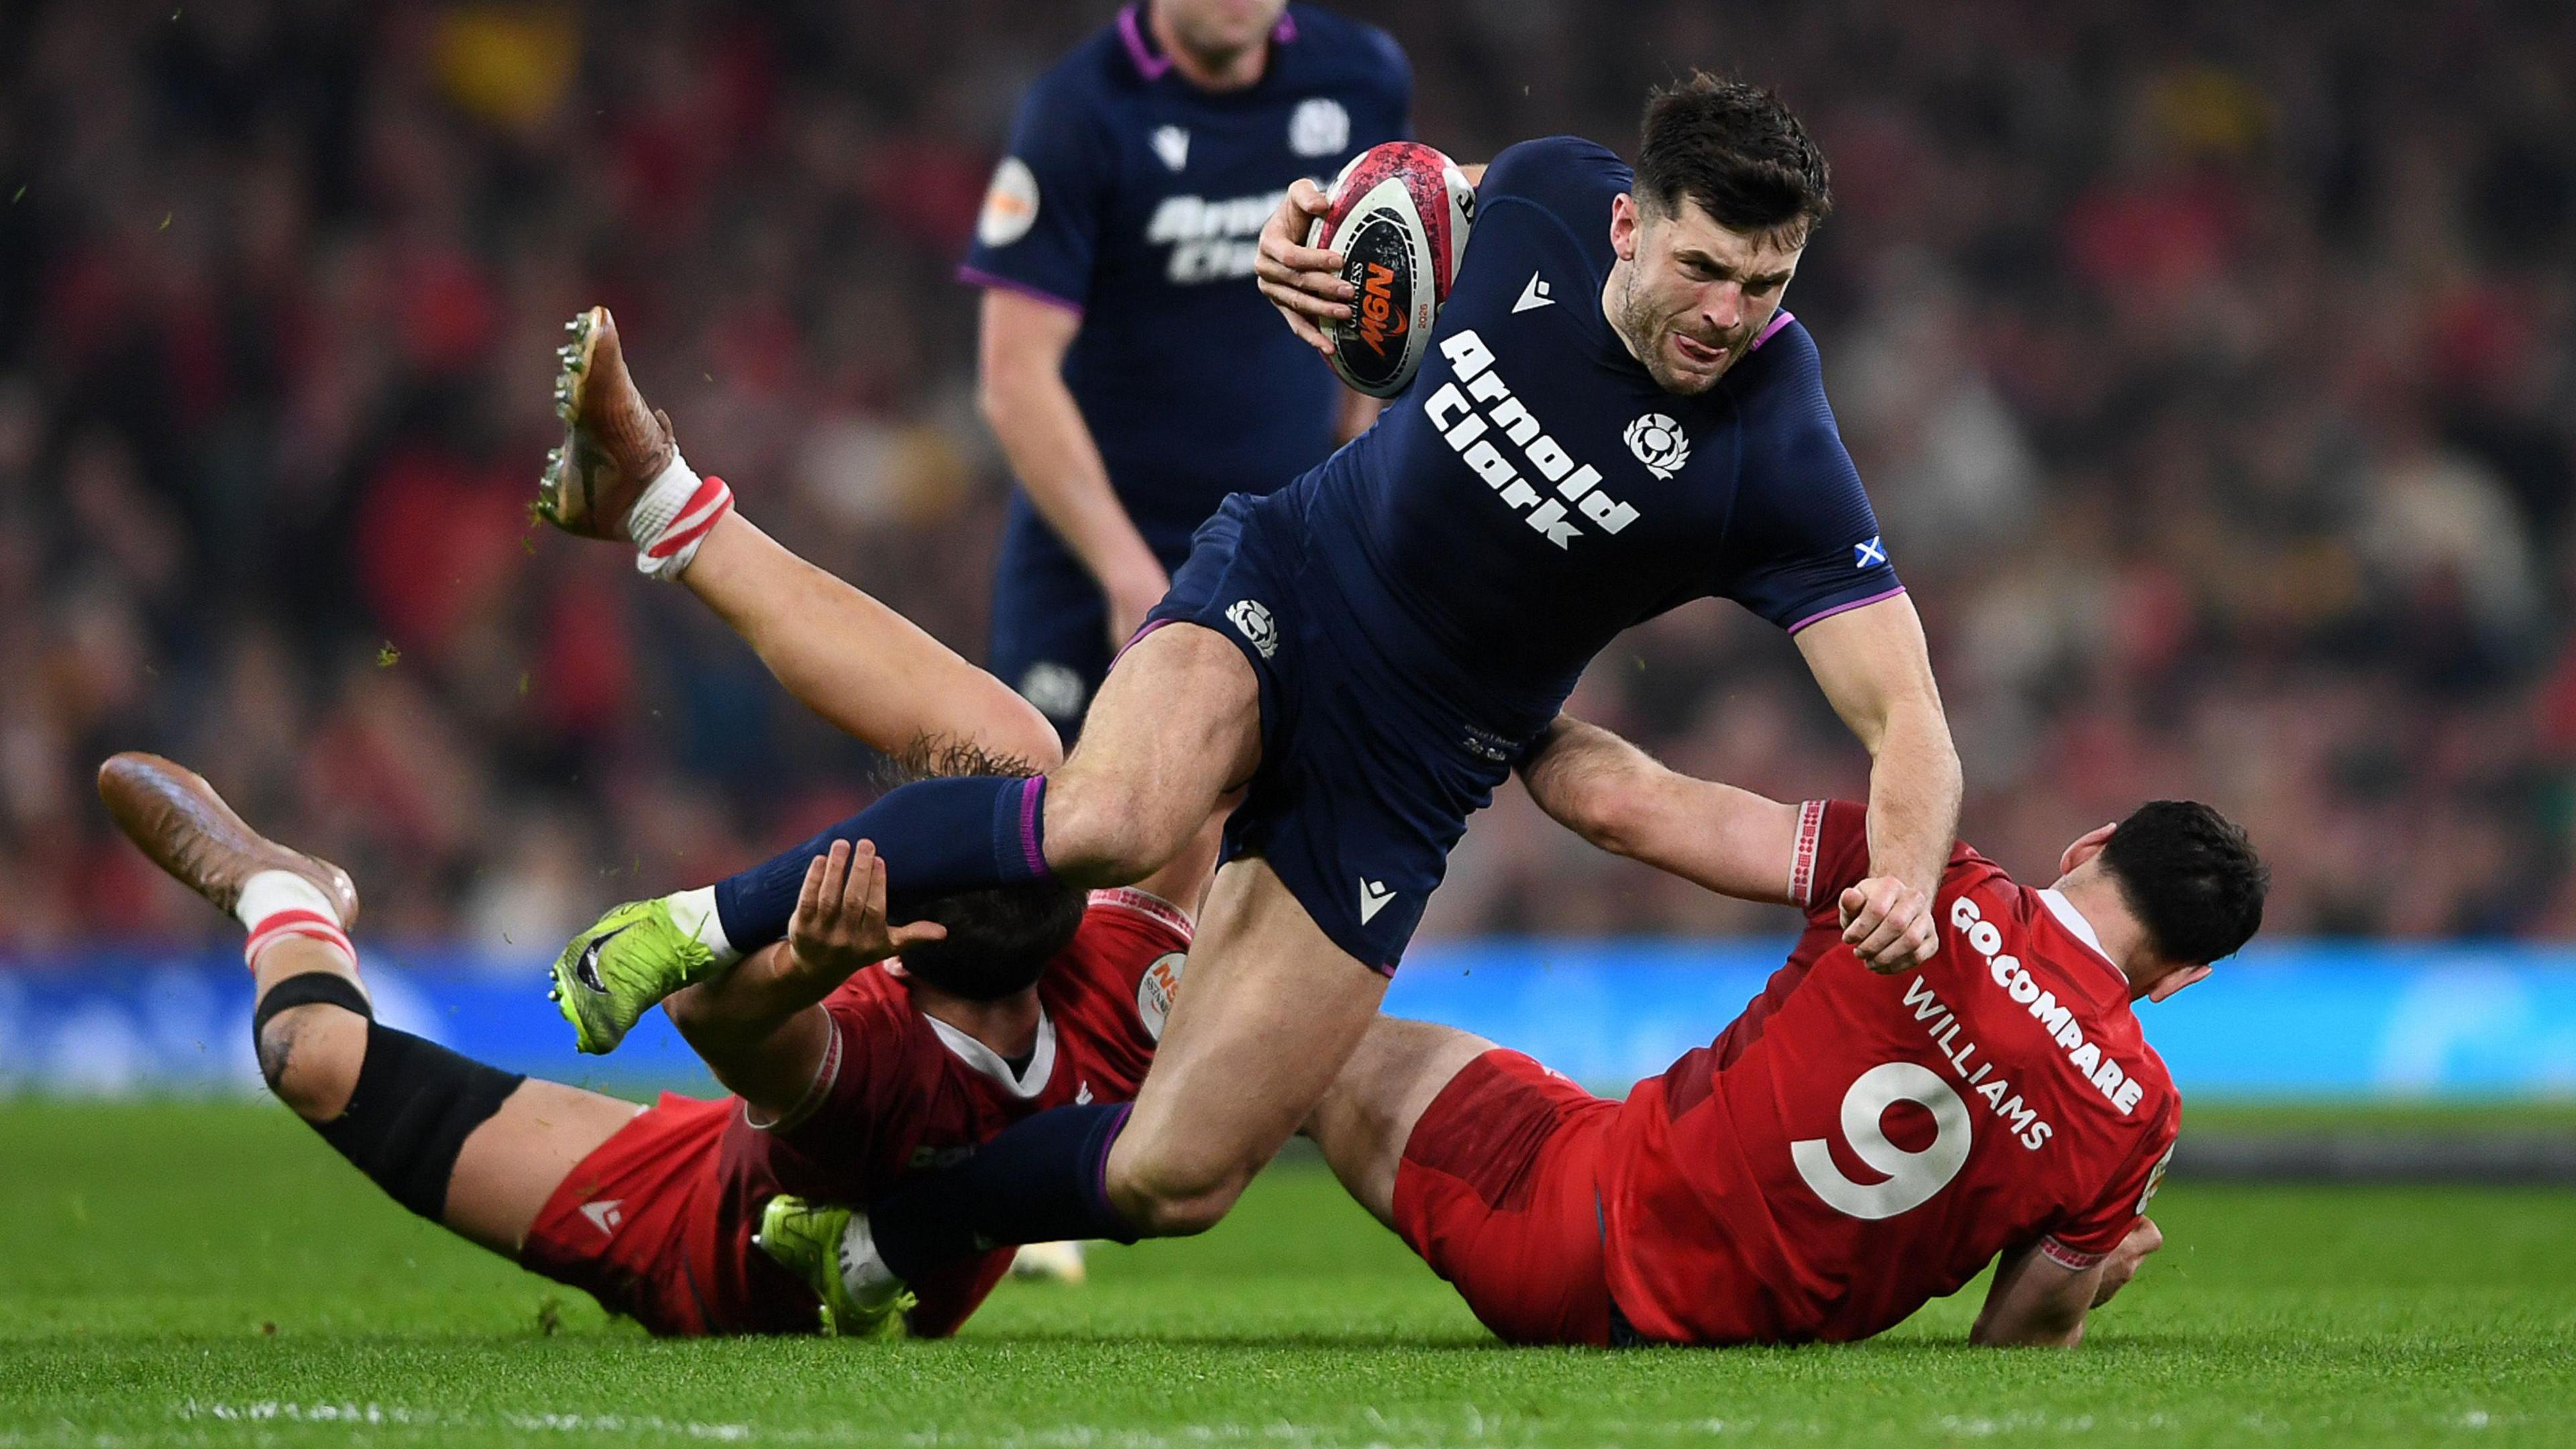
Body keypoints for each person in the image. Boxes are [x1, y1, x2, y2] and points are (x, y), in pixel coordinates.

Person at [547, 74, 1966, 1316]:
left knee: (1180, 1172)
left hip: (1413, 769)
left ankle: (885, 1245)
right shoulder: (1543, 190)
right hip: (1289, 584)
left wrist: (1904, 875)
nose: (1728, 314)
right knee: (1108, 818)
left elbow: (1907, 718)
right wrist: (1311, 234)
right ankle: (691, 924)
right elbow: (1406, 202)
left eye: (1766, 285)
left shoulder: (1778, 442)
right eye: (1705, 267)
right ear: (1628, 226)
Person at [94, 366, 1222, 1334]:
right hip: (710, 1198)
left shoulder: (916, 1034)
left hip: (696, 1231)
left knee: (308, 1053)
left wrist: (807, 964)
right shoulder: (1096, 980)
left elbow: (715, 1015)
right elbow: (1194, 781)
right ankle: (663, 510)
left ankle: (284, 893)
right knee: (1017, 746)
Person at [762, 720, 2265, 1348]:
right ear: (2185, 977)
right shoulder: (2137, 1115)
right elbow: (2016, 1344)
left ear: (2089, 847)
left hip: (1583, 1227)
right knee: (1308, 1042)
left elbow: (1624, 808)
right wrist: (2089, 1279)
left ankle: (904, 1225)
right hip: (1707, 1284)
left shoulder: (1921, 876)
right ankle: (967, 1167)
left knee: (1285, 1044)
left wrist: (1498, 698)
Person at [965, 0, 1409, 729]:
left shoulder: (1362, 74)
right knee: (1054, 790)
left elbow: (1392, 265)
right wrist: (1124, 572)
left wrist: (1361, 432)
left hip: (1280, 543)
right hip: (1095, 558)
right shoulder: (1079, 112)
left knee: (1276, 795)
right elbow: (1014, 380)